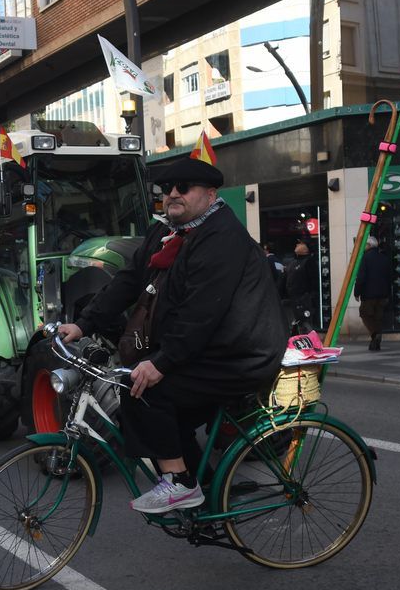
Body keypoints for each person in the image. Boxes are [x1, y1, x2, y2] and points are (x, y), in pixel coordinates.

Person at [58, 156, 286, 515]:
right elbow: (129, 280)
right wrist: (84, 324)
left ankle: (180, 484)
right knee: (160, 413)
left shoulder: (221, 236)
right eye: (167, 189)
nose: (172, 195)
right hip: (203, 348)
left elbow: (202, 312)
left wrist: (161, 362)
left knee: (146, 391)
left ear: (211, 195)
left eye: (183, 187)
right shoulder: (166, 232)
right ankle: (207, 492)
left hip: (240, 353)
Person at [354, 236, 391, 351]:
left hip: (369, 294)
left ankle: (375, 334)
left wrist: (357, 292)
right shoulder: (384, 258)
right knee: (378, 317)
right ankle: (375, 341)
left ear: (369, 245)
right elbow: (389, 277)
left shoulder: (364, 258)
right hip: (383, 294)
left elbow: (361, 278)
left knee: (365, 314)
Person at [283, 238, 320, 334]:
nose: (297, 245)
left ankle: (310, 345)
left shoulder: (309, 262)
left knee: (305, 326)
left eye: (301, 243)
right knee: (293, 327)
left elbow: (314, 282)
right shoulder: (292, 262)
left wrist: (310, 297)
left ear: (306, 249)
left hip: (304, 301)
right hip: (292, 301)